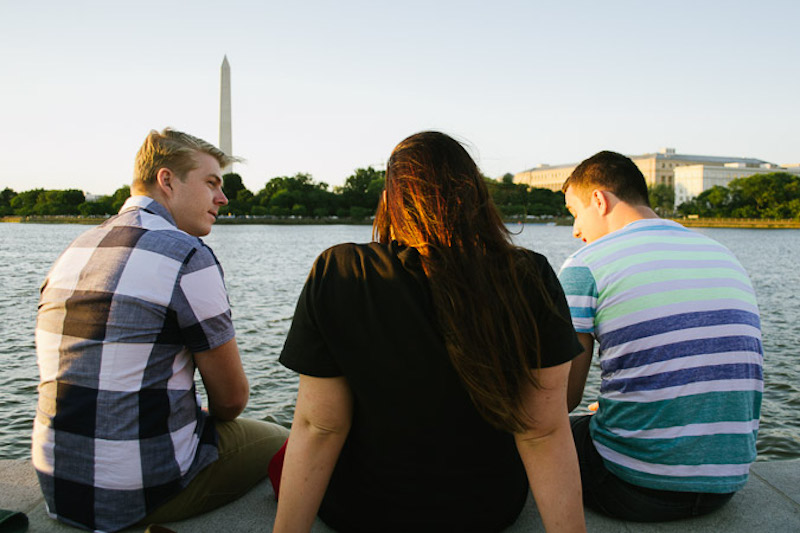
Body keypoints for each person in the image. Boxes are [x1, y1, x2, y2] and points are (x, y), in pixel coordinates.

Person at [273, 131, 586, 533]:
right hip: (487, 509)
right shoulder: (529, 275)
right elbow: (542, 430)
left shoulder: (342, 270)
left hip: (363, 511)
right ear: (476, 195)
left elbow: (321, 426)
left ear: (391, 197)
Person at [32, 128, 289, 532]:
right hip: (138, 494)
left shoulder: (76, 249)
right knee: (282, 438)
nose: (222, 198)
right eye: (211, 183)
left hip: (58, 486)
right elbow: (232, 400)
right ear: (166, 180)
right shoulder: (187, 254)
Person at [558, 150, 764, 522]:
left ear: (599, 200)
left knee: (551, 433)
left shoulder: (586, 264)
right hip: (725, 486)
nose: (575, 230)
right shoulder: (721, 254)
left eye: (575, 213)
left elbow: (563, 398)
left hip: (632, 488)